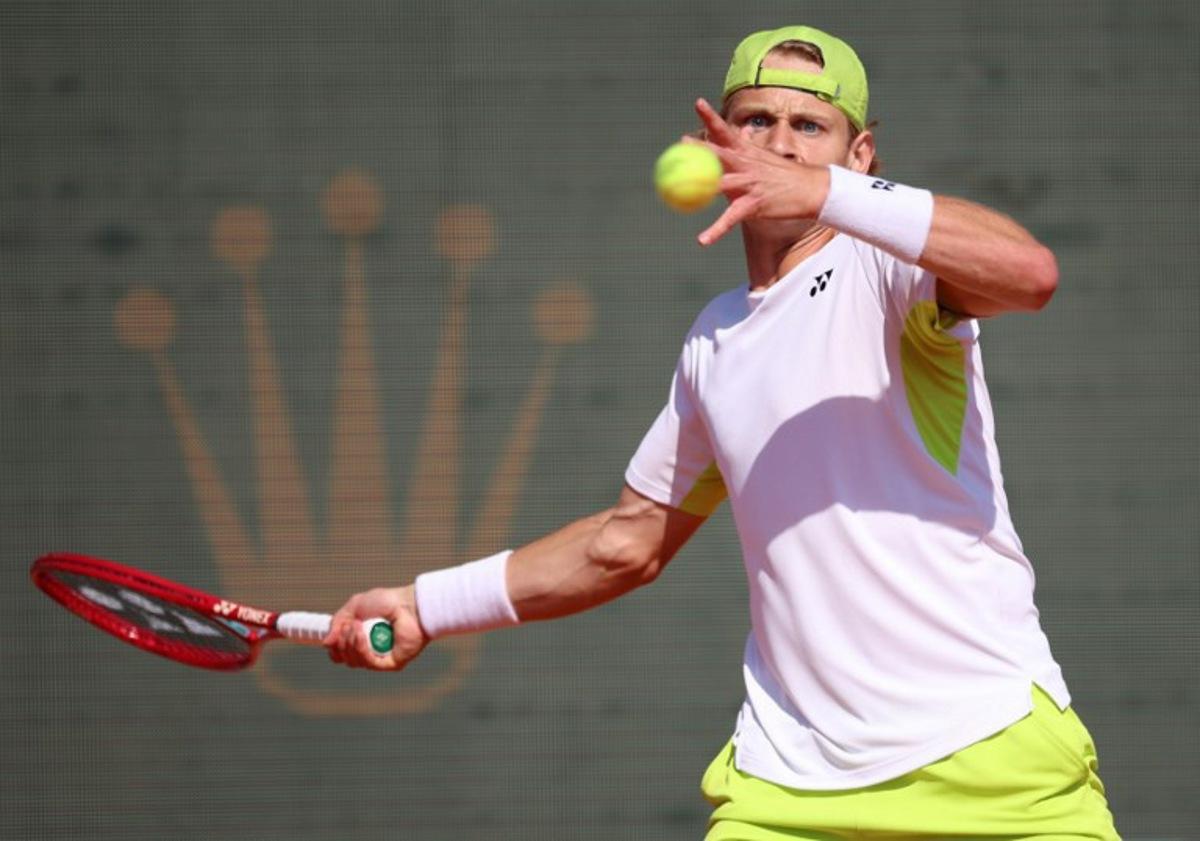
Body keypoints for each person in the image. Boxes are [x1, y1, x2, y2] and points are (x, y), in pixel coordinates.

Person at [325, 25, 1120, 840]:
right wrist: (426, 604)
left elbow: (1031, 275)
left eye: (809, 126)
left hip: (992, 760)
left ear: (861, 157)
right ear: (716, 147)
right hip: (788, 790)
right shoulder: (715, 340)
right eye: (756, 122)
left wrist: (822, 195)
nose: (781, 144)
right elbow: (623, 545)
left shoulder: (888, 269)